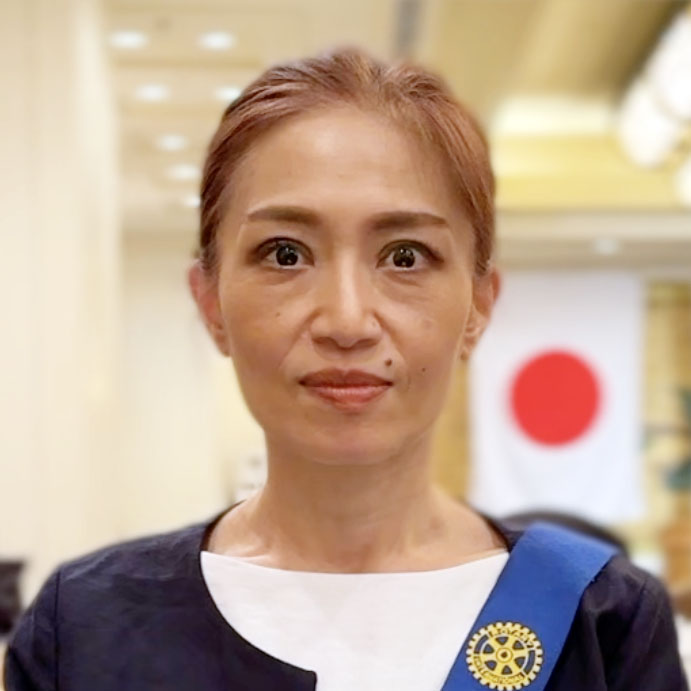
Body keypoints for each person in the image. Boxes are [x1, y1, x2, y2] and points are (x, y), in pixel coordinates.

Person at [4, 48, 688, 691]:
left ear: (478, 306)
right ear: (210, 302)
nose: (347, 320)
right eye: (284, 253)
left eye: (405, 256)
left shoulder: (601, 621)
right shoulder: (86, 629)